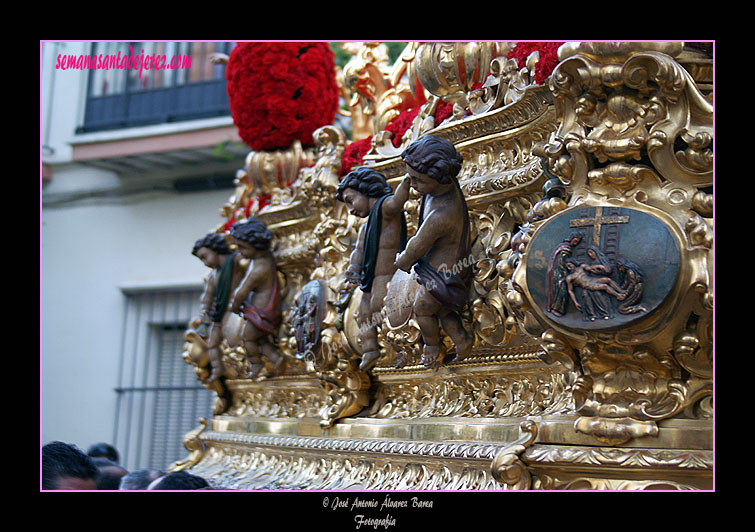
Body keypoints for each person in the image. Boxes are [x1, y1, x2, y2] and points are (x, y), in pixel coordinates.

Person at [395, 135, 474, 368]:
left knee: (423, 308)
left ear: (440, 178)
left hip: (445, 274)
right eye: (411, 177)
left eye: (417, 180)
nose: (412, 184)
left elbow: (417, 245)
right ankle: (461, 339)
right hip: (439, 268)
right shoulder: (440, 188)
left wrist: (402, 261)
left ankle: (431, 345)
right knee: (442, 309)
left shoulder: (441, 215)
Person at [337, 166, 410, 370]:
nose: (350, 209)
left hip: (387, 276)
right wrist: (353, 273)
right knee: (363, 315)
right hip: (370, 279)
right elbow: (358, 252)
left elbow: (398, 202)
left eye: (351, 200)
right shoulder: (365, 227)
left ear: (367, 190)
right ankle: (370, 350)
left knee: (382, 310)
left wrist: (407, 179)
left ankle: (401, 350)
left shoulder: (385, 209)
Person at [228, 218, 285, 377]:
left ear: (257, 246)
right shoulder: (263, 258)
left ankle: (256, 363)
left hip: (261, 312)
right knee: (259, 339)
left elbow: (242, 291)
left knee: (247, 338)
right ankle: (276, 358)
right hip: (260, 310)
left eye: (242, 247)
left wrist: (234, 306)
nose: (239, 251)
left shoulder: (259, 268)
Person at [191, 232, 245, 381]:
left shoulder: (236, 261)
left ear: (215, 249)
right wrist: (206, 311)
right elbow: (207, 296)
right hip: (220, 313)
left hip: (238, 310)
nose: (205, 262)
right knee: (212, 343)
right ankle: (218, 368)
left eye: (204, 256)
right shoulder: (214, 275)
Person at [545, 231, 583, 316]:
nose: (575, 243)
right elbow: (561, 263)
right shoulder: (565, 249)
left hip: (557, 271)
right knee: (562, 290)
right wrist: (565, 274)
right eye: (575, 241)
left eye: (577, 242)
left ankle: (556, 309)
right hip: (559, 273)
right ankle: (556, 309)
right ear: (571, 238)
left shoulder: (562, 247)